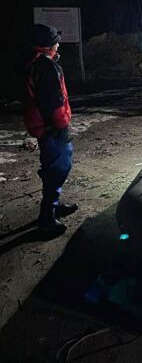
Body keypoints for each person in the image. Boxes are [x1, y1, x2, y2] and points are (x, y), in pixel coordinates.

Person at [23, 24, 77, 236]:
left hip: (43, 127)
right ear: (49, 45)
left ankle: (53, 208)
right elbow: (53, 102)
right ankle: (47, 219)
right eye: (56, 40)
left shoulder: (35, 63)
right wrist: (62, 127)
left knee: (53, 168)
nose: (58, 44)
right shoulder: (46, 67)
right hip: (52, 129)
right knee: (58, 169)